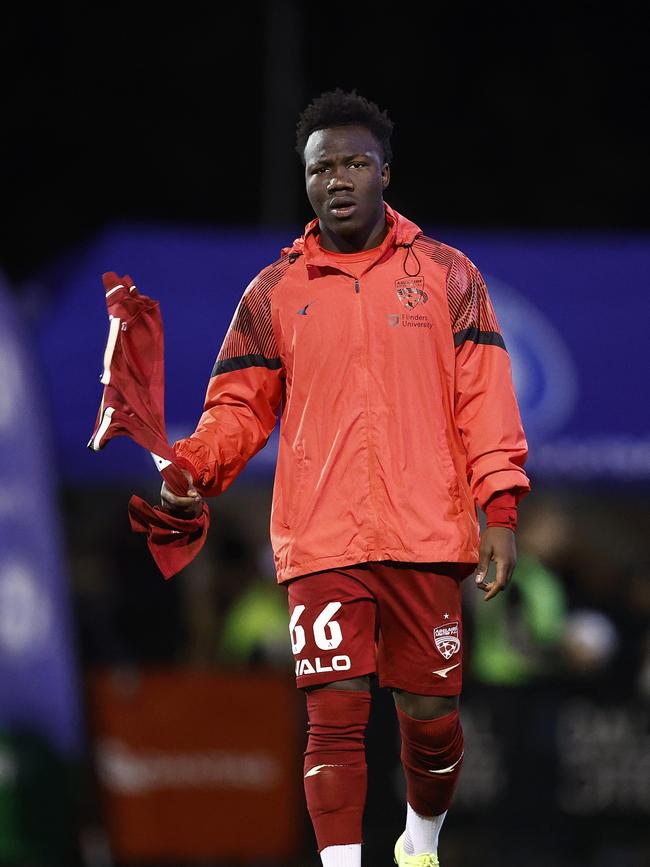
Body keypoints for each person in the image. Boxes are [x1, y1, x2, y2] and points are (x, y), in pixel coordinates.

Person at [162, 90, 531, 867]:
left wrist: (499, 505)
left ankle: (419, 842)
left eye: (355, 162)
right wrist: (195, 462)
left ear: (385, 173)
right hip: (322, 537)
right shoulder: (274, 293)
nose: (338, 178)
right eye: (321, 167)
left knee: (432, 721)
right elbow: (236, 407)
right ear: (305, 181)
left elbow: (486, 400)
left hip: (425, 533)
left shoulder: (448, 275)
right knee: (334, 717)